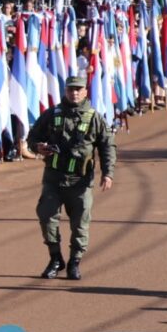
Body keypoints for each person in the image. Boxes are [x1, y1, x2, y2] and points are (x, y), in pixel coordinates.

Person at [27, 75, 115, 280]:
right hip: (53, 178)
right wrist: (37, 147)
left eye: (78, 89)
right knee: (46, 216)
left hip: (80, 181)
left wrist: (108, 173)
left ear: (85, 91)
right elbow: (33, 137)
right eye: (70, 89)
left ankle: (75, 262)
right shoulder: (52, 114)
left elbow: (107, 146)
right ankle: (56, 259)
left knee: (80, 224)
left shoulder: (94, 118)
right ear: (65, 91)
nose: (74, 93)